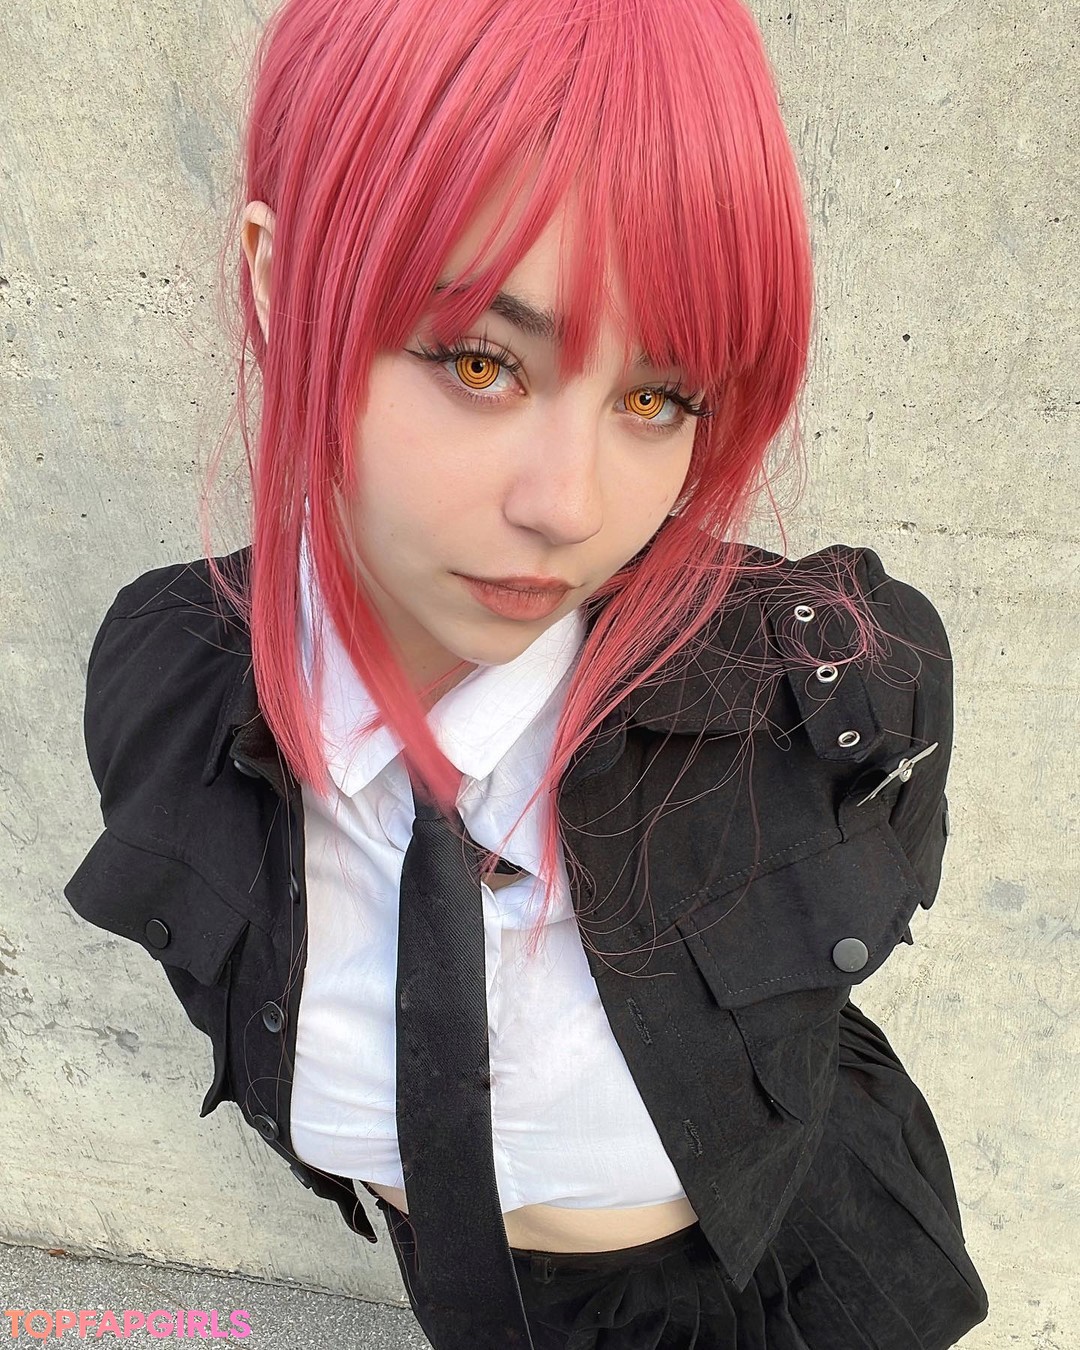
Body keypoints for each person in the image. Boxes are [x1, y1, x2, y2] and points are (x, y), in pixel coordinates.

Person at [63, 0, 991, 1345]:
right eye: (481, 361)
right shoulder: (168, 680)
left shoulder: (835, 684)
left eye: (655, 397)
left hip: (810, 1280)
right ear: (277, 284)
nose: (569, 505)